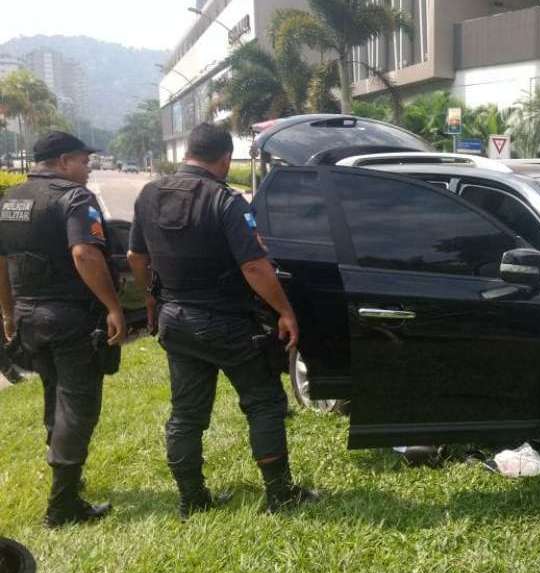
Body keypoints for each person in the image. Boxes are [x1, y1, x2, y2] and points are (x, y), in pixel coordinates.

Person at [127, 123, 316, 518]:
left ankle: (191, 500)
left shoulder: (148, 195)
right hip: (227, 322)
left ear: (187, 152)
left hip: (175, 319)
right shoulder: (225, 201)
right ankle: (280, 494)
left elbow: (135, 258)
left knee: (186, 413)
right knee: (263, 402)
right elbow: (254, 266)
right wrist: (285, 311)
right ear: (226, 159)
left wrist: (150, 298)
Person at [0, 131, 124, 527]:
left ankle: (68, 482)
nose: (88, 169)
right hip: (69, 318)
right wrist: (113, 306)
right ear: (64, 160)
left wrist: (8, 312)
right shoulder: (74, 198)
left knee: (55, 396)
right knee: (78, 404)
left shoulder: (11, 200)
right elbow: (85, 252)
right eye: (85, 162)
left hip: (29, 319)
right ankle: (63, 505)